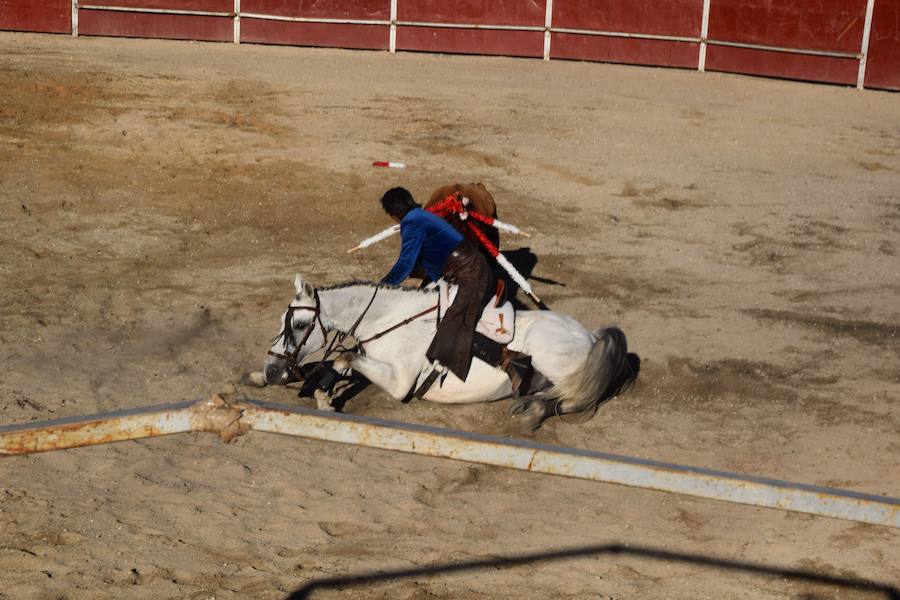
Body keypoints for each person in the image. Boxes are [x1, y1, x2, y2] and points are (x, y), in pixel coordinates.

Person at [380, 187, 491, 382]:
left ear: (393, 213)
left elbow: (406, 263)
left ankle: (505, 360)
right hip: (458, 271)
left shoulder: (412, 223)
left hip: (469, 273)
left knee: (454, 321)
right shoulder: (419, 216)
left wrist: (382, 287)